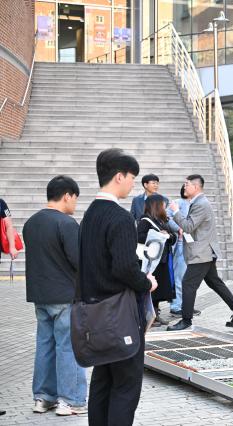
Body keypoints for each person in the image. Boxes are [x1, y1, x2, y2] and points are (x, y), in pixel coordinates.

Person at [79, 148, 158, 426]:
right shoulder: (119, 217)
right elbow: (124, 268)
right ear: (119, 176)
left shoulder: (89, 214)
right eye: (132, 178)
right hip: (120, 314)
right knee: (126, 385)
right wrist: (146, 281)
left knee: (102, 380)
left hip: (94, 313)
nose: (132, 184)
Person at [23, 175, 87, 416]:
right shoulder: (67, 224)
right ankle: (70, 401)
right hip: (66, 296)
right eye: (75, 199)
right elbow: (79, 261)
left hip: (40, 295)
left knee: (45, 346)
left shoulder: (31, 222)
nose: (75, 204)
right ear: (67, 195)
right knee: (69, 347)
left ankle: (43, 398)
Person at [167, 174, 233, 331]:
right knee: (215, 282)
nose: (184, 187)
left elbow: (188, 226)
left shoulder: (201, 204)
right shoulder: (198, 203)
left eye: (187, 184)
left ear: (196, 187)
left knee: (188, 284)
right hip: (205, 251)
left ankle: (186, 320)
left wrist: (176, 212)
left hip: (202, 253)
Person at [138, 194, 177, 327]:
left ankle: (155, 314)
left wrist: (168, 236)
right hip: (152, 263)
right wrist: (159, 235)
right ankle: (149, 316)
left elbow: (173, 238)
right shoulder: (145, 220)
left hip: (162, 260)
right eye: (162, 204)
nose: (164, 206)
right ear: (156, 205)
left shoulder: (160, 220)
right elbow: (140, 237)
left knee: (158, 292)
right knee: (151, 291)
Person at [167, 185, 199, 317]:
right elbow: (167, 217)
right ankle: (176, 306)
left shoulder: (196, 204)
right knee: (179, 276)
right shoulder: (177, 203)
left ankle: (186, 306)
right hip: (181, 243)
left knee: (189, 277)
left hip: (193, 245)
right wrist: (178, 229)